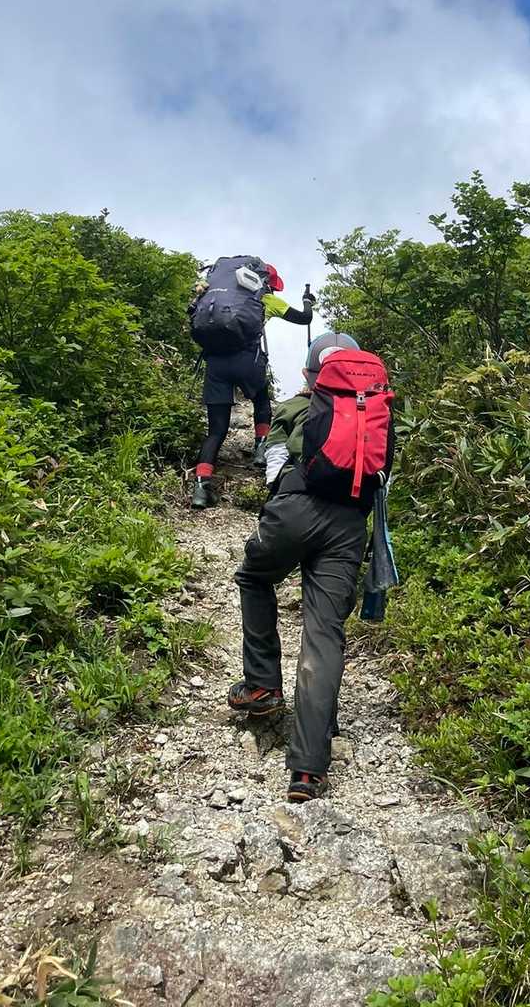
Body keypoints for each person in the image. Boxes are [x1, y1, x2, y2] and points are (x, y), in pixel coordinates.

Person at [227, 331, 368, 802]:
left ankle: (262, 687)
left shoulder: (293, 407)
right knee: (323, 632)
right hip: (349, 523)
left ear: (310, 373)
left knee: (253, 577)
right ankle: (307, 770)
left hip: (293, 510)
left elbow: (271, 466)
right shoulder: (371, 412)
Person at [190, 259, 315, 509]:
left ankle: (201, 489)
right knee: (261, 400)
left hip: (215, 364)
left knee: (216, 431)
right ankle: (261, 448)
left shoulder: (211, 294)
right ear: (265, 282)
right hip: (247, 361)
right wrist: (307, 301)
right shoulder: (265, 299)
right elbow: (304, 318)